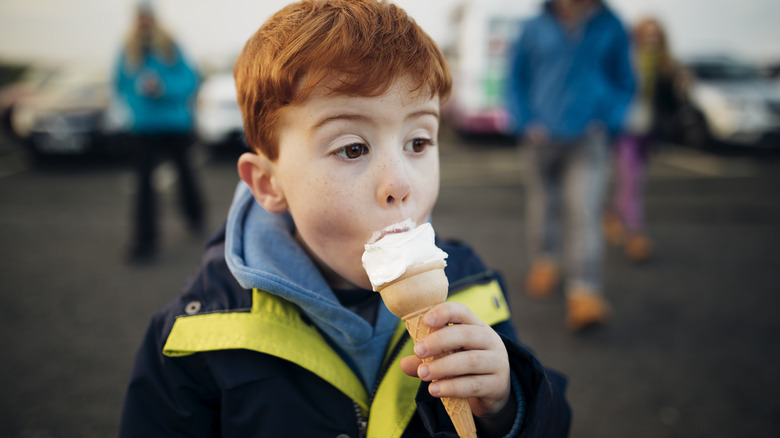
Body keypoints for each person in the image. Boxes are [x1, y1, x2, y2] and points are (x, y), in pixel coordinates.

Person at [119, 1, 571, 436]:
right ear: (268, 184)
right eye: (352, 148)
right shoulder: (197, 337)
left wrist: (508, 406)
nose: (400, 184)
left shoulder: (472, 288)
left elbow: (554, 421)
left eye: (418, 142)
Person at [506, 0, 635, 331]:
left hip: (588, 139)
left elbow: (625, 81)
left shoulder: (611, 25)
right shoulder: (533, 26)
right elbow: (515, 79)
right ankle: (545, 262)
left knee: (584, 210)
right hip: (540, 138)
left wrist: (608, 120)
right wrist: (526, 121)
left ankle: (584, 291)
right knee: (542, 205)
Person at [114, 3, 204, 263]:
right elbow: (120, 84)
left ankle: (195, 217)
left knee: (185, 175)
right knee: (143, 186)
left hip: (175, 124)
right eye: (139, 18)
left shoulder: (170, 46)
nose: (144, 22)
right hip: (144, 127)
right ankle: (144, 241)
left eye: (147, 17)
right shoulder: (127, 50)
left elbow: (189, 80)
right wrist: (136, 105)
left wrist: (162, 88)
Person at [603, 16, 687, 264]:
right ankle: (635, 234)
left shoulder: (666, 66)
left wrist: (679, 86)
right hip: (625, 130)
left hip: (649, 132)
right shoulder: (627, 61)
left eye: (655, 35)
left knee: (630, 182)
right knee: (632, 181)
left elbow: (671, 105)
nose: (650, 39)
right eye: (646, 34)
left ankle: (611, 216)